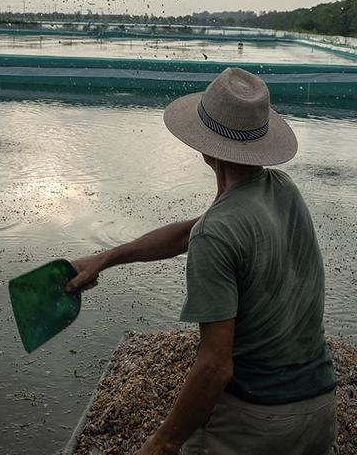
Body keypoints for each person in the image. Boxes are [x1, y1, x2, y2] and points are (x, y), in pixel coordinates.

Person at [67, 67, 337, 455]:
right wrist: (106, 258)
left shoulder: (219, 231)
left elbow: (215, 367)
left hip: (258, 420)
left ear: (205, 148)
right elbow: (190, 234)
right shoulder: (282, 190)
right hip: (320, 410)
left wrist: (163, 442)